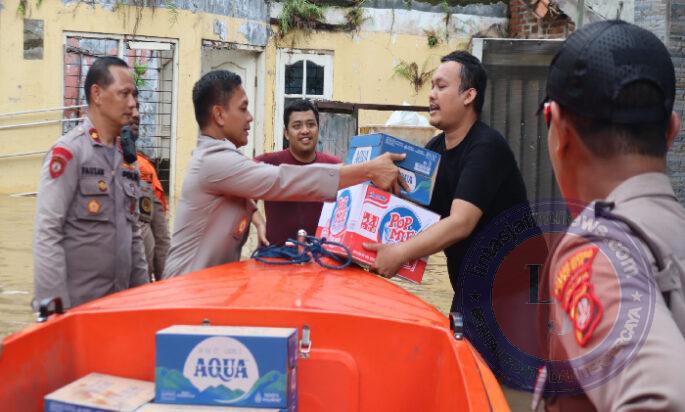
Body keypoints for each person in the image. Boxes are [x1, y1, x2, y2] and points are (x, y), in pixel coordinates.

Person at [539, 20, 685, 410]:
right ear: (671, 131)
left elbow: (662, 400)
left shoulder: (599, 251)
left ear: (558, 130)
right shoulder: (671, 233)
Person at [163, 70, 405, 278]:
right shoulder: (215, 161)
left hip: (209, 284)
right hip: (189, 286)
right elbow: (283, 180)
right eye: (243, 108)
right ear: (219, 115)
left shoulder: (220, 158)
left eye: (310, 125)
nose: (250, 117)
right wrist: (369, 169)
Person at [365, 51, 531, 311]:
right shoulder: (433, 151)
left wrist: (400, 253)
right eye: (431, 86)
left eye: (441, 86)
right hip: (472, 291)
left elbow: (460, 223)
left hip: (518, 294)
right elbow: (417, 215)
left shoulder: (486, 147)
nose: (431, 94)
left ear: (469, 95)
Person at [33, 56, 148, 309]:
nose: (132, 104)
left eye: (133, 95)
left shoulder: (128, 161)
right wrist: (53, 309)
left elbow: (134, 236)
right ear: (97, 94)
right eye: (124, 94)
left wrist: (143, 299)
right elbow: (47, 232)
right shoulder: (69, 153)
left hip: (118, 308)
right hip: (77, 310)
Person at [254, 99, 341, 245]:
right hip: (274, 256)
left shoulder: (334, 166)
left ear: (318, 129)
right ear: (286, 134)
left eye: (311, 124)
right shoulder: (270, 162)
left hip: (320, 257)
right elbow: (241, 190)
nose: (305, 130)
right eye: (297, 126)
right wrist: (259, 223)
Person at [129, 96, 170, 280]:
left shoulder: (144, 168)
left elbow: (161, 237)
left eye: (138, 107)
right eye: (130, 108)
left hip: (141, 284)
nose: (136, 115)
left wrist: (165, 286)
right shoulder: (90, 161)